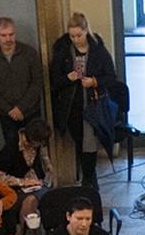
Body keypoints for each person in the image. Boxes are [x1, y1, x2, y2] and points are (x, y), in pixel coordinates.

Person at [48, 13, 121, 191]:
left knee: (89, 142)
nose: (76, 40)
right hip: (72, 105)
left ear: (86, 31)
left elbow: (111, 77)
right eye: (72, 36)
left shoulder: (98, 50)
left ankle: (89, 179)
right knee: (79, 141)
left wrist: (94, 81)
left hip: (93, 104)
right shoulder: (63, 51)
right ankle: (88, 177)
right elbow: (53, 80)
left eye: (79, 36)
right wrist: (68, 77)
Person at [0, 16, 47, 151]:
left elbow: (37, 81)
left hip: (30, 112)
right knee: (12, 150)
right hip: (7, 114)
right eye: (3, 35)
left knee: (35, 149)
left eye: (11, 34)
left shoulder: (29, 52)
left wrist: (21, 108)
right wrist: (10, 110)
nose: (8, 39)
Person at [0, 118, 54, 227]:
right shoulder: (11, 148)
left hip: (35, 185)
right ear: (33, 140)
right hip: (15, 189)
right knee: (30, 202)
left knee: (49, 199)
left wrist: (47, 173)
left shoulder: (39, 146)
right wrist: (22, 182)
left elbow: (45, 161)